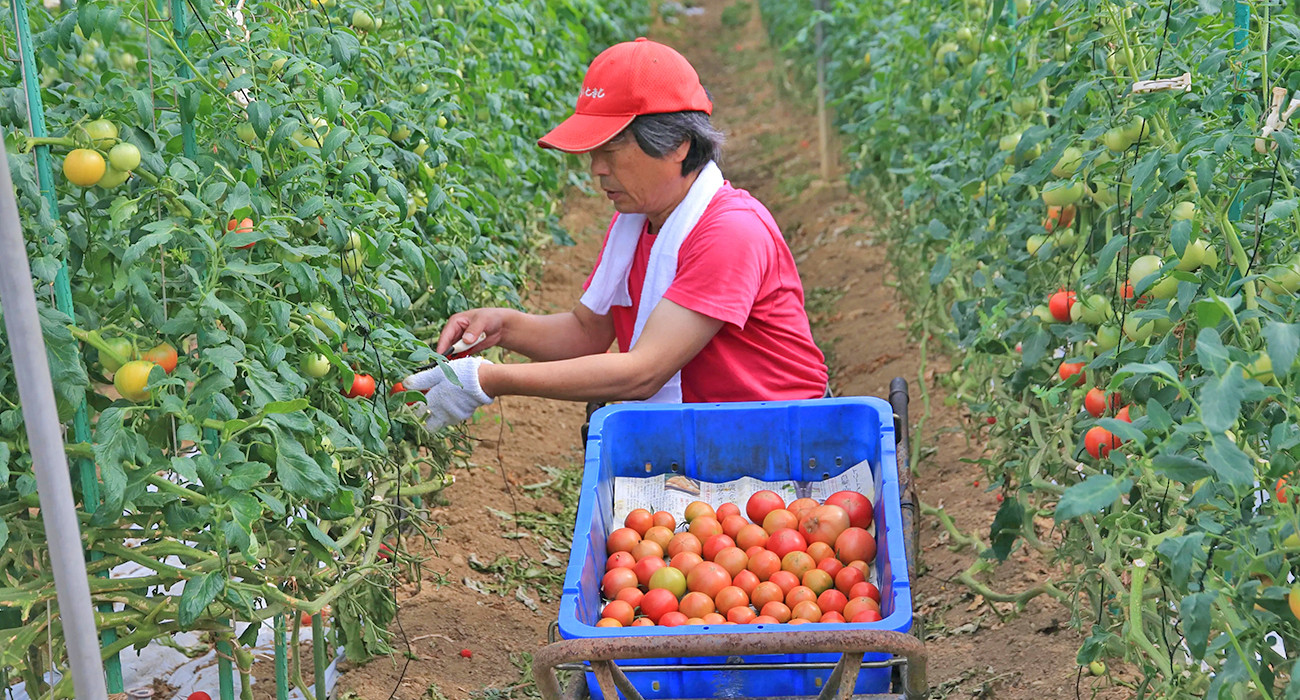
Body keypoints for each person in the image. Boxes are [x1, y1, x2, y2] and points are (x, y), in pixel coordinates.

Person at [403, 37, 828, 432]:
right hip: (707, 438)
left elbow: (644, 372)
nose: (597, 171)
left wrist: (487, 379)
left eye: (610, 152)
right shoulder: (639, 220)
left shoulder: (730, 232)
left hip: (780, 439)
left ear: (678, 144)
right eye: (593, 154)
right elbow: (586, 333)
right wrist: (504, 327)